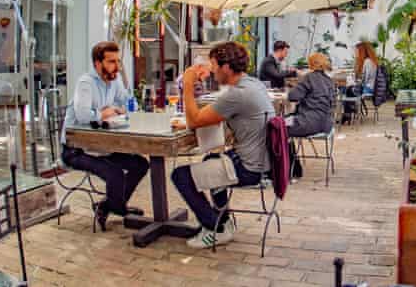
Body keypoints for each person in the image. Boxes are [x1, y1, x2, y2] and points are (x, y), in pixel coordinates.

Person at [171, 41, 274, 249]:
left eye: (214, 65)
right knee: (211, 159)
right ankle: (223, 223)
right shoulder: (254, 84)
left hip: (249, 168)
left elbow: (194, 121)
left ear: (226, 68)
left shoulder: (237, 94)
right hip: (262, 162)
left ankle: (215, 228)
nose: (212, 71)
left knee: (180, 175)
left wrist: (188, 84)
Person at [60, 41, 149, 231]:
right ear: (97, 63)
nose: (116, 66)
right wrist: (105, 113)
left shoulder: (113, 80)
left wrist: (127, 106)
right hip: (76, 150)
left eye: (118, 61)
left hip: (101, 146)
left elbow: (126, 101)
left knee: (141, 164)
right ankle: (118, 207)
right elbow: (83, 115)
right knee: (114, 173)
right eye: (111, 62)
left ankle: (108, 205)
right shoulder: (86, 83)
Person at [286, 52, 335, 179]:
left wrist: (295, 87)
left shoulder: (309, 78)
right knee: (285, 124)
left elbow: (293, 97)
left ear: (311, 64)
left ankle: (289, 168)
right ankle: (294, 166)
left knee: (278, 127)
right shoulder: (329, 81)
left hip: (309, 122)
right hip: (326, 124)